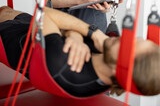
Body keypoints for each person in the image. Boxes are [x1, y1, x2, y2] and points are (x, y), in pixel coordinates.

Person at [0, 6, 160, 97]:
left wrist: (93, 32)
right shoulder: (108, 58)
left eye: (128, 46)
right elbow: (69, 30)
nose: (124, 37)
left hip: (8, 36)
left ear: (120, 69)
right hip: (39, 30)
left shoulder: (64, 64)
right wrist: (75, 35)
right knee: (5, 10)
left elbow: (43, 13)